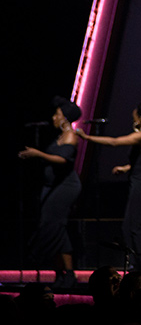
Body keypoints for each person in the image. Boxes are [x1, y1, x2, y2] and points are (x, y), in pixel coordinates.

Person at [76, 100, 141, 273]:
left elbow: (115, 142)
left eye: (134, 118)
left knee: (136, 226)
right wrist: (125, 168)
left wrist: (87, 138)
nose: (133, 121)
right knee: (127, 226)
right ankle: (134, 264)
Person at [19, 96, 83, 288]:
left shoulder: (71, 136)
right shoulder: (59, 137)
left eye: (57, 114)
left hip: (66, 186)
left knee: (51, 224)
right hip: (54, 186)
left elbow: (63, 160)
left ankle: (36, 257)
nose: (54, 118)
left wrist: (38, 154)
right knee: (58, 229)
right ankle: (65, 274)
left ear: (65, 117)